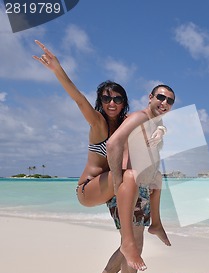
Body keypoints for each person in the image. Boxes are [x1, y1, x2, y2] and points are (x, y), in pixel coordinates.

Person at [33, 40, 170, 244]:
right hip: (89, 189)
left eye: (117, 99)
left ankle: (156, 224)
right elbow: (79, 99)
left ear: (124, 102)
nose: (112, 103)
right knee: (131, 175)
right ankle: (128, 241)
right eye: (106, 99)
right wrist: (57, 69)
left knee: (155, 176)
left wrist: (160, 130)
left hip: (112, 184)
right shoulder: (98, 122)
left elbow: (151, 120)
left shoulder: (127, 122)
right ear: (100, 102)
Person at [107, 84, 175, 271]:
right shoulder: (139, 117)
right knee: (132, 247)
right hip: (129, 188)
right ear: (150, 97)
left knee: (134, 246)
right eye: (161, 97)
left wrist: (162, 131)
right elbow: (113, 144)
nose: (165, 103)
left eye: (170, 101)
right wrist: (117, 183)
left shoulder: (153, 122)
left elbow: (160, 126)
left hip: (142, 187)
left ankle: (157, 223)